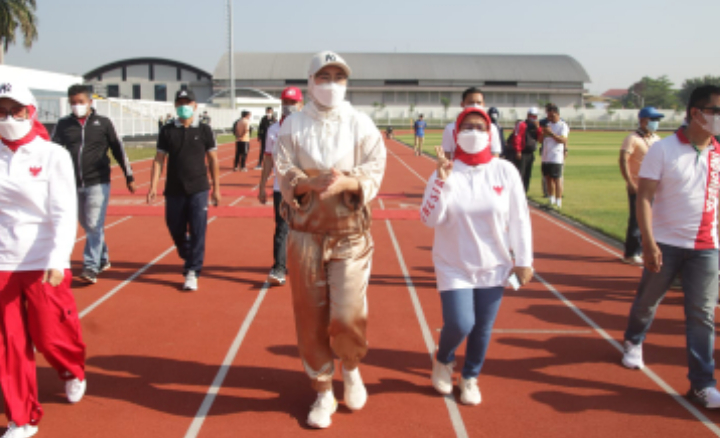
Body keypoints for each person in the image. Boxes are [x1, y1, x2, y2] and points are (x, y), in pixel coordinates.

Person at [274, 51, 386, 429]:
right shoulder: (293, 125)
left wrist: (348, 182)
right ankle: (323, 390)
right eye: (324, 76)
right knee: (310, 317)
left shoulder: (361, 123)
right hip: (305, 234)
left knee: (347, 312)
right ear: (310, 81)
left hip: (350, 234)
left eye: (339, 77)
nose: (332, 84)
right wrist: (308, 182)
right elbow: (284, 168)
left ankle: (350, 365)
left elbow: (375, 166)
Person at [420, 107, 533, 406]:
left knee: (482, 328)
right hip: (453, 263)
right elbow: (428, 218)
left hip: (493, 264)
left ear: (490, 133)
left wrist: (524, 259)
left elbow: (520, 218)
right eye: (467, 127)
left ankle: (470, 377)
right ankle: (443, 359)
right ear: (456, 133)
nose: (473, 133)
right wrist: (441, 182)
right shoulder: (445, 170)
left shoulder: (504, 170)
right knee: (460, 323)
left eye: (480, 127)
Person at [621, 85, 720, 408]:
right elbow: (645, 197)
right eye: (716, 111)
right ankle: (634, 340)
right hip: (665, 242)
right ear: (697, 113)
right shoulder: (663, 150)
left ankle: (702, 383)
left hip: (706, 246)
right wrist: (648, 242)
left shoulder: (718, 153)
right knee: (649, 300)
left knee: (702, 314)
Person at [0, 81, 87, 438]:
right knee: (10, 346)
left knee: (51, 337)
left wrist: (58, 258)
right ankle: (21, 419)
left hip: (44, 261)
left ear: (31, 111)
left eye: (15, 110)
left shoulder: (53, 155)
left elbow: (64, 212)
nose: (8, 117)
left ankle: (72, 368)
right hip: (4, 264)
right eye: (1, 110)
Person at [52, 84, 136, 284]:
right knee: (87, 224)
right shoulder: (63, 125)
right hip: (71, 183)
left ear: (90, 102)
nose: (76, 106)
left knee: (93, 223)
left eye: (80, 102)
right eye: (72, 103)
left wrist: (129, 176)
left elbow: (118, 149)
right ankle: (103, 257)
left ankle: (90, 266)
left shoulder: (104, 123)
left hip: (97, 181)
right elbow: (52, 152)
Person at [147, 89, 222, 291]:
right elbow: (159, 159)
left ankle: (192, 271)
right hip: (174, 189)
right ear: (175, 106)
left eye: (187, 103)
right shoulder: (167, 130)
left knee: (198, 230)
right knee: (175, 227)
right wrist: (153, 185)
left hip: (198, 188)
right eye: (180, 103)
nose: (184, 106)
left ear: (195, 106)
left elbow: (213, 159)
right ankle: (188, 253)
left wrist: (216, 188)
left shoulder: (204, 130)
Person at [258, 87, 303, 286]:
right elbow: (267, 159)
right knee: (282, 228)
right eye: (286, 102)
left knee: (307, 229)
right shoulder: (273, 130)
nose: (288, 106)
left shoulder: (308, 128)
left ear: (301, 104)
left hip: (305, 188)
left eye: (293, 103)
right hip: (281, 188)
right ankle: (279, 268)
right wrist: (261, 186)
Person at [618, 107, 664, 266]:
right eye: (653, 120)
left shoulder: (657, 139)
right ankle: (631, 253)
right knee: (637, 219)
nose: (655, 123)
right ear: (643, 120)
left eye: (657, 120)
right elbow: (623, 159)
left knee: (653, 219)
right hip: (638, 184)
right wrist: (629, 182)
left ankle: (647, 248)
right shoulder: (632, 138)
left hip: (654, 185)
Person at [441, 87, 502, 159]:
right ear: (462, 104)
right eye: (471, 102)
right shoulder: (450, 128)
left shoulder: (492, 128)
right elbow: (447, 153)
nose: (475, 105)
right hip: (458, 168)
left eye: (479, 103)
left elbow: (495, 153)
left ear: (483, 104)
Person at [540, 104, 569, 209]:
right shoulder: (548, 125)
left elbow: (563, 140)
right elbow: (541, 140)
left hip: (556, 155)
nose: (550, 118)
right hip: (546, 154)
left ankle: (558, 201)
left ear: (557, 114)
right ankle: (551, 199)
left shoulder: (562, 126)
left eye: (552, 116)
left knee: (556, 178)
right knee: (547, 177)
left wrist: (551, 134)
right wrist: (542, 133)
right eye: (548, 116)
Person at [511, 107, 541, 193]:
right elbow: (517, 137)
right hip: (522, 152)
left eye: (535, 116)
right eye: (532, 116)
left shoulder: (536, 126)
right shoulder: (521, 124)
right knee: (520, 173)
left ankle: (525, 192)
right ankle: (517, 192)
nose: (533, 118)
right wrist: (518, 150)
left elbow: (539, 138)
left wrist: (538, 128)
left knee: (527, 175)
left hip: (530, 153)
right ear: (528, 115)